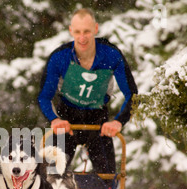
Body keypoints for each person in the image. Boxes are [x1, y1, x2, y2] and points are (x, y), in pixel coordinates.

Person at [38, 8, 137, 174]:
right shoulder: (60, 57)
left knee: (107, 180)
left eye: (87, 32)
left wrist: (118, 121)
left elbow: (132, 94)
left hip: (98, 121)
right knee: (53, 177)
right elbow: (44, 97)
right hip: (67, 120)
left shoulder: (111, 55)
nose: (82, 37)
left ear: (96, 29)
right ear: (71, 30)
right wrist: (54, 119)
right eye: (77, 32)